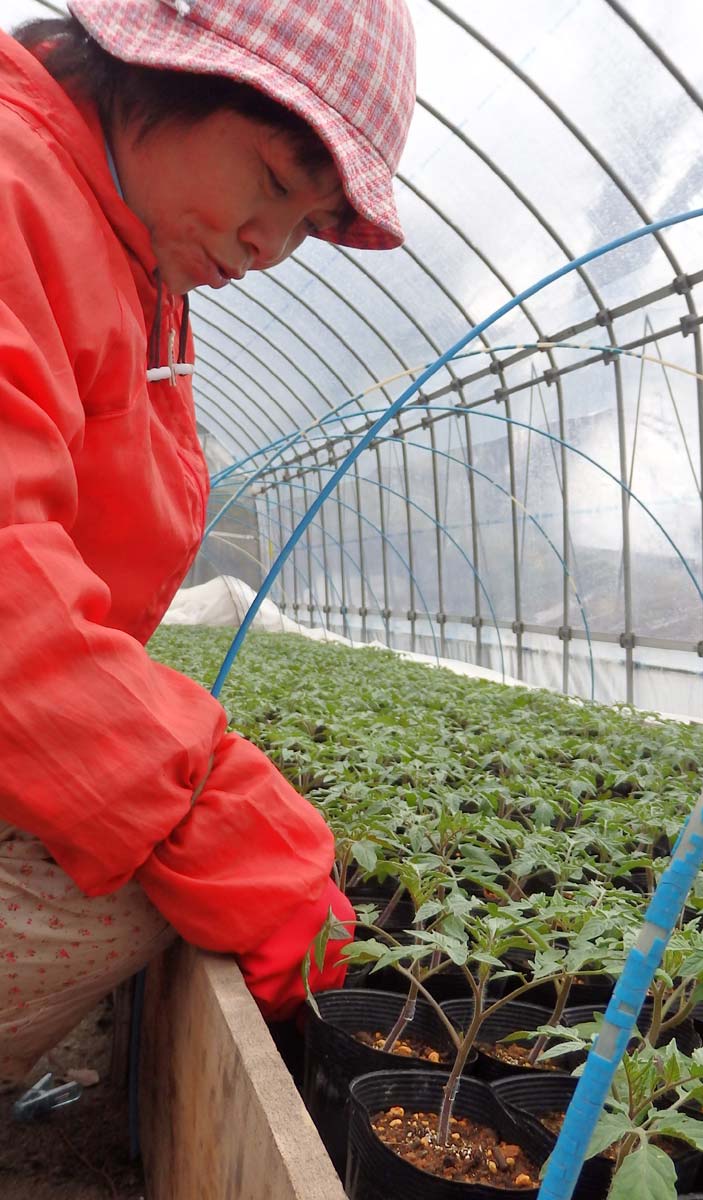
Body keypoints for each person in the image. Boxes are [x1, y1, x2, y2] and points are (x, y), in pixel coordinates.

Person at [0, 0, 416, 1081]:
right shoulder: (13, 190)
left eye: (310, 224)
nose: (269, 247)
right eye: (274, 182)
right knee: (123, 898)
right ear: (158, 72)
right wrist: (212, 817)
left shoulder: (133, 246)